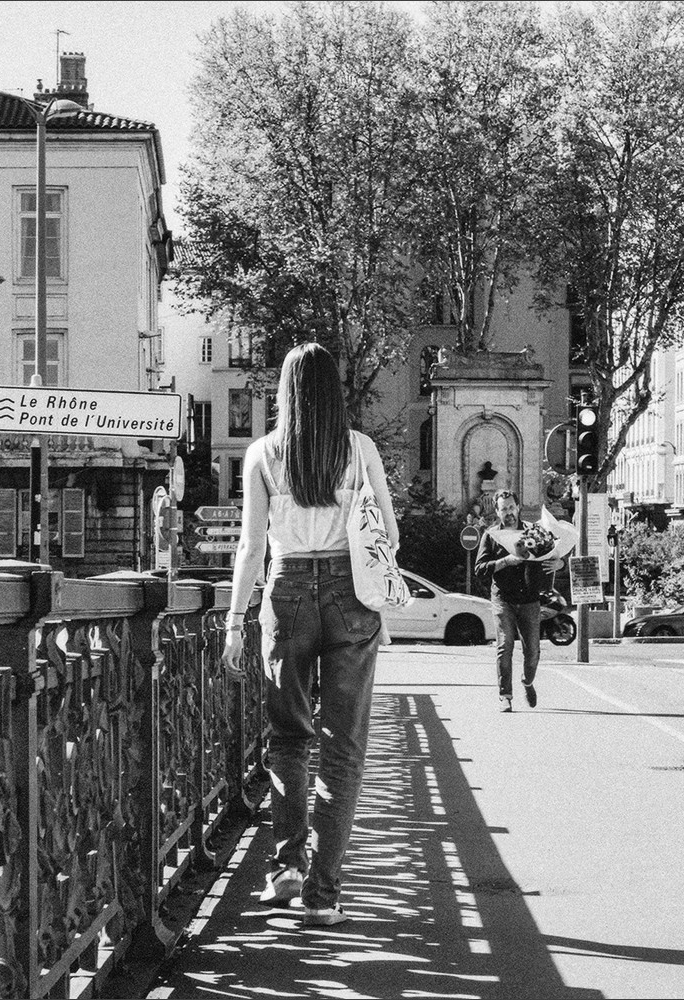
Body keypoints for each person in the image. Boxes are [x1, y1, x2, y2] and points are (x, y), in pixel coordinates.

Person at [221, 342, 399, 927]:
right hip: (351, 595)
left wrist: (233, 622)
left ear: (286, 392)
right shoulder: (359, 449)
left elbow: (250, 546)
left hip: (287, 591)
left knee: (289, 737)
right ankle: (326, 895)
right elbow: (389, 535)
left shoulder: (262, 454)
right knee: (343, 748)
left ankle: (285, 869)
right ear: (335, 391)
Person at [474, 489, 561, 712]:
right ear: (497, 511)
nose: (509, 512)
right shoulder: (491, 535)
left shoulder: (533, 532)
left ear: (518, 507)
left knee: (533, 651)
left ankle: (527, 681)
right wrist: (505, 561)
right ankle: (505, 695)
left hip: (530, 599)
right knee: (505, 645)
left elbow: (553, 554)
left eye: (512, 507)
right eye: (504, 509)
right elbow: (480, 569)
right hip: (503, 599)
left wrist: (559, 564)